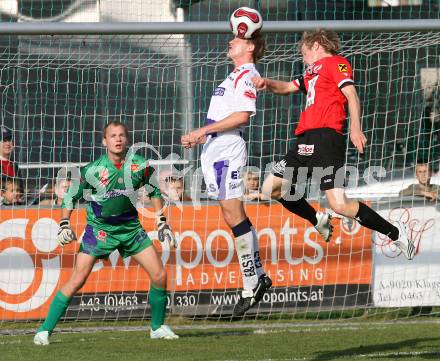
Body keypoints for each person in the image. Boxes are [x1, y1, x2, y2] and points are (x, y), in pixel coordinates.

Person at [252, 28, 415, 260]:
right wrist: (265, 82)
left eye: (304, 51)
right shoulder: (311, 72)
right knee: (271, 189)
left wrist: (355, 128)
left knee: (340, 205)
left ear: (317, 44)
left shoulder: (336, 63)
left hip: (327, 139)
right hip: (304, 141)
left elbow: (351, 95)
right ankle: (317, 219)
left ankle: (396, 233)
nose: (303, 57)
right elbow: (287, 87)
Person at [34, 121, 179, 345]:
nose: (118, 139)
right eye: (113, 136)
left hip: (130, 228)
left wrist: (161, 220)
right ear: (105, 141)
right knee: (77, 279)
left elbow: (153, 190)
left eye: (121, 135)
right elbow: (71, 196)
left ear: (127, 139)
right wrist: (64, 223)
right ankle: (44, 331)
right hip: (99, 230)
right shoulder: (92, 170)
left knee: (160, 275)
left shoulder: (140, 165)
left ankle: (157, 327)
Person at [181, 31, 272, 316]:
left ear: (250, 46)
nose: (230, 42)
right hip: (215, 148)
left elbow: (244, 115)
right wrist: (204, 136)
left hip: (227, 147)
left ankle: (251, 283)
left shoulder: (247, 74)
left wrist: (202, 131)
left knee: (234, 214)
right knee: (230, 215)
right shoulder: (234, 75)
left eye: (237, 39)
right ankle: (257, 278)